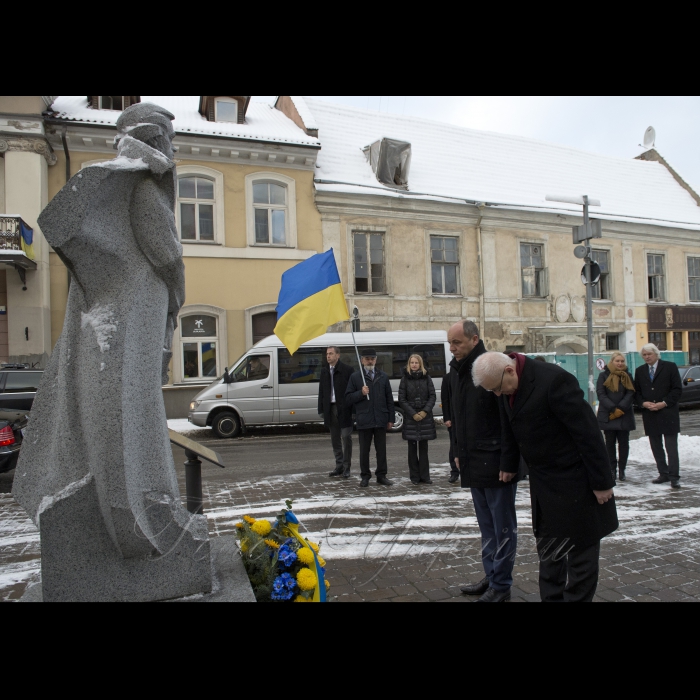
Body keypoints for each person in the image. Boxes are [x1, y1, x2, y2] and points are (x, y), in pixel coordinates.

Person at [473, 351, 618, 603]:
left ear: (509, 371)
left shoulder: (554, 381)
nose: (497, 394)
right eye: (492, 391)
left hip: (576, 482)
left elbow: (588, 433)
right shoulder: (505, 385)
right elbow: (510, 424)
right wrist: (508, 463)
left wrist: (602, 482)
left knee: (581, 556)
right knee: (550, 553)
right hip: (544, 485)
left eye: (497, 389)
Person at [448, 321, 519, 603]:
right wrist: (456, 450)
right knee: (486, 526)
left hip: (497, 464)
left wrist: (508, 461)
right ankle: (491, 576)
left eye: (457, 342)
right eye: (450, 343)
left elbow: (508, 420)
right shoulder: (457, 371)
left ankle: (501, 586)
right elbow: (457, 415)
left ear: (474, 339)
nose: (452, 348)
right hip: (472, 460)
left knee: (502, 527)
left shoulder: (491, 366)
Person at [634, 343, 683, 488]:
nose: (647, 357)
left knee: (671, 447)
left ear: (656, 354)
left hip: (668, 413)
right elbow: (637, 392)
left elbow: (677, 389)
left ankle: (674, 476)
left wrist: (664, 403)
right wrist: (643, 403)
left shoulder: (670, 367)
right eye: (644, 355)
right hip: (650, 414)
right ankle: (664, 473)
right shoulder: (640, 371)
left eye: (649, 354)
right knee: (656, 446)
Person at [345, 348, 395, 488]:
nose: (370, 361)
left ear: (376, 360)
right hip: (364, 419)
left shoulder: (383, 376)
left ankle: (381, 475)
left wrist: (391, 419)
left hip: (380, 418)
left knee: (381, 450)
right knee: (364, 451)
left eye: (372, 358)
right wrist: (360, 393)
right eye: (367, 358)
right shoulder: (355, 377)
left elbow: (389, 399)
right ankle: (365, 476)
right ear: (362, 360)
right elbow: (348, 398)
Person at [596, 351, 636, 482]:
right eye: (617, 361)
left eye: (622, 361)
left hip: (624, 414)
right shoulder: (603, 376)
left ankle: (622, 469)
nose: (620, 363)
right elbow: (601, 394)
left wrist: (621, 408)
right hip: (609, 414)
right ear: (612, 362)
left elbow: (631, 393)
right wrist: (613, 408)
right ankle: (611, 470)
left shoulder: (628, 375)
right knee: (610, 444)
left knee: (624, 444)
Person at [399, 354, 437, 485]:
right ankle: (414, 477)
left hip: (425, 418)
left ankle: (425, 476)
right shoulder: (404, 379)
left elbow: (432, 396)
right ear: (408, 365)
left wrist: (424, 411)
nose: (414, 365)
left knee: (424, 449)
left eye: (416, 362)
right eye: (412, 363)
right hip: (411, 418)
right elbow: (402, 399)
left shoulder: (427, 378)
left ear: (420, 364)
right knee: (412, 449)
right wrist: (413, 413)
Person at [318, 347, 355, 479]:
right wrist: (321, 410)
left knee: (346, 437)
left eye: (331, 354)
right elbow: (321, 392)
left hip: (345, 408)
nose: (328, 356)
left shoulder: (348, 370)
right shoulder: (324, 371)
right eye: (327, 354)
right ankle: (339, 466)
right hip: (330, 408)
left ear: (338, 355)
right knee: (335, 439)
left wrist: (353, 411)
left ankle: (347, 467)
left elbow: (353, 391)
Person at [440, 374, 460, 483]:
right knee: (454, 445)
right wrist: (447, 418)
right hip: (453, 419)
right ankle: (455, 471)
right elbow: (445, 399)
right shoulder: (447, 378)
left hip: (467, 418)